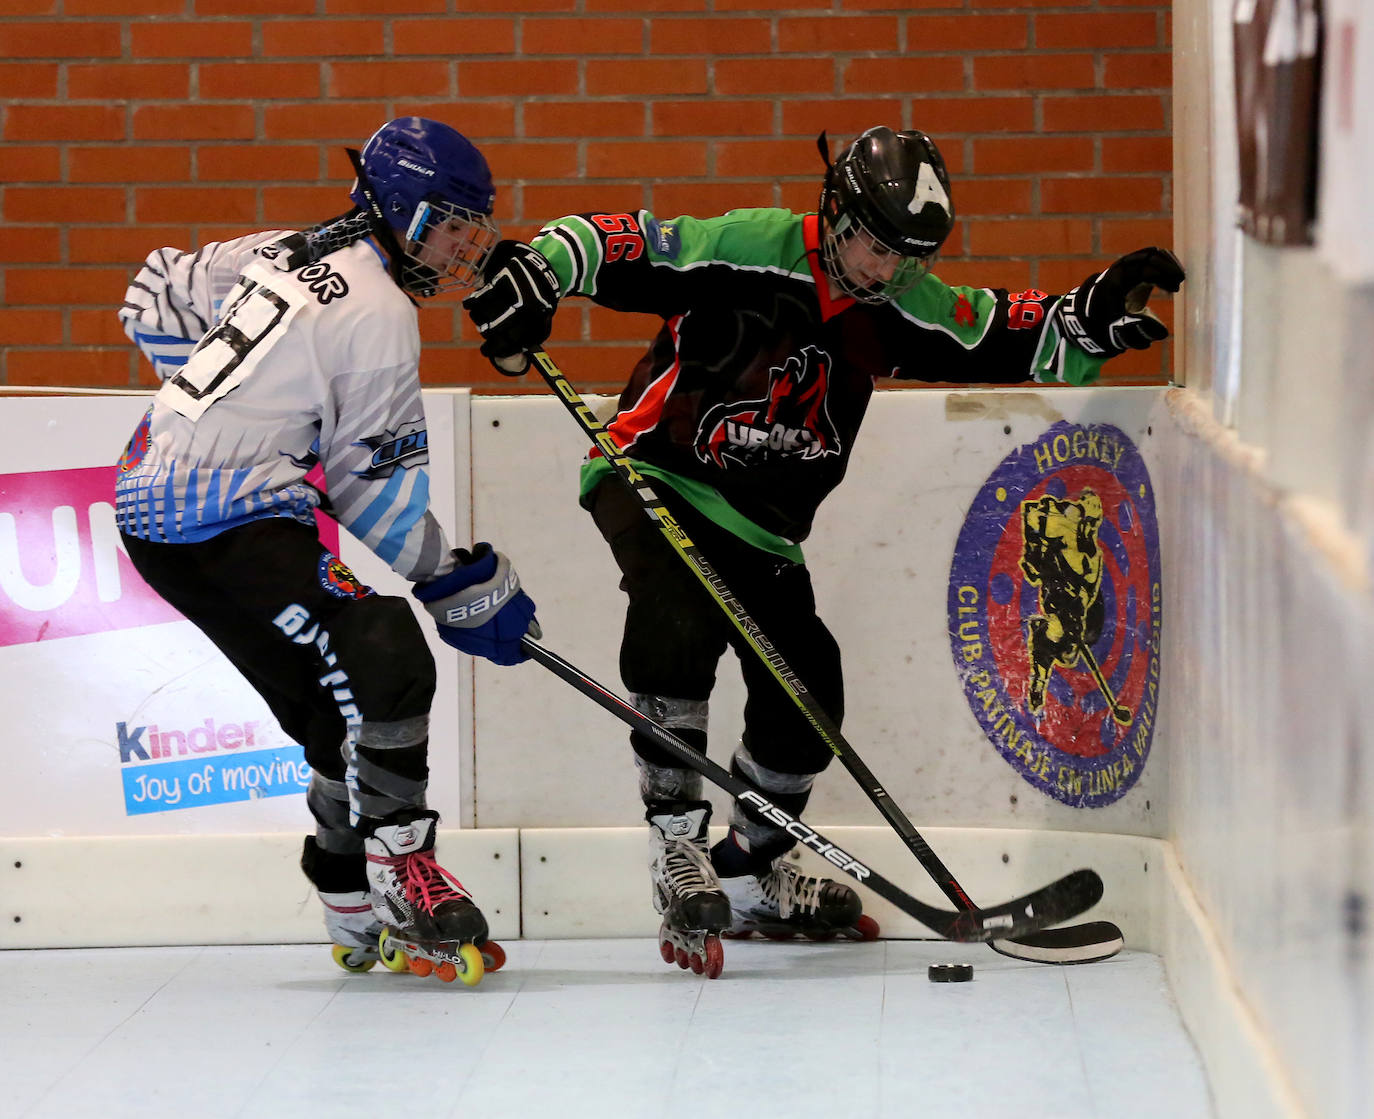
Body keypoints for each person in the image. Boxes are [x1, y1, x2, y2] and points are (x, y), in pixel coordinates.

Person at [462, 124, 1185, 978]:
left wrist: (1085, 317)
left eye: (905, 256)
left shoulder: (897, 302)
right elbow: (627, 244)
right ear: (833, 209)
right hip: (655, 468)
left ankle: (760, 858)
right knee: (676, 617)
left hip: (764, 523)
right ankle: (677, 845)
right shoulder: (754, 247)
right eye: (873, 244)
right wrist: (545, 267)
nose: (883, 269)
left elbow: (990, 329)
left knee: (810, 685)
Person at [114, 117, 541, 986]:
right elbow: (371, 492)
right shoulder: (380, 314)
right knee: (384, 648)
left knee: (336, 705)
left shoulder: (286, 245)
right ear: (402, 212)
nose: (461, 248)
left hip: (166, 498)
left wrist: (209, 415)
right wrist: (453, 574)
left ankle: (346, 894)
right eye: (449, 226)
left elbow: (151, 292)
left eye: (471, 229)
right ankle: (400, 874)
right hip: (216, 521)